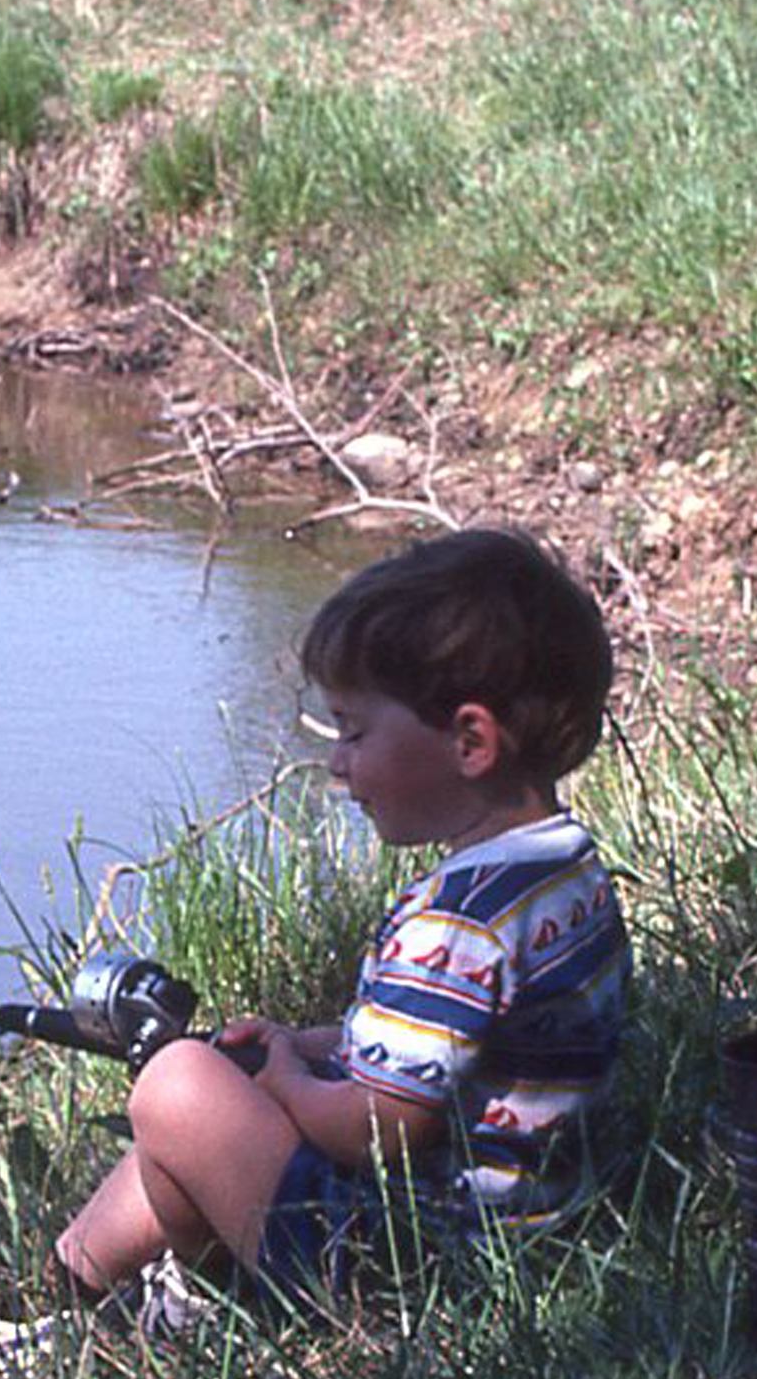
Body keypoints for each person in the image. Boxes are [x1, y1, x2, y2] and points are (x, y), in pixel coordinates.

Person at [53, 524, 630, 1316]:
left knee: (178, 1086)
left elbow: (377, 1128)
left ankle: (65, 1300)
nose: (336, 762)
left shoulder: (457, 923)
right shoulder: (563, 872)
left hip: (414, 1270)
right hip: (524, 1231)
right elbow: (450, 1058)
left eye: (355, 731)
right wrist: (305, 1045)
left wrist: (287, 1080)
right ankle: (98, 1293)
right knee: (220, 1082)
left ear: (469, 741)